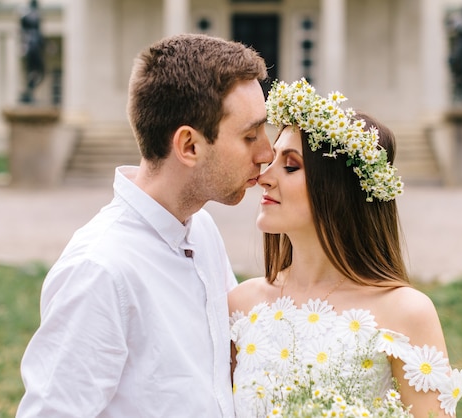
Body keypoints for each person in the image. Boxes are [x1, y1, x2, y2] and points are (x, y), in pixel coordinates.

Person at [16, 34, 273, 417]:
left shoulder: (201, 230)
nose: (266, 152)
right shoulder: (99, 271)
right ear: (188, 146)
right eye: (250, 135)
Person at [229, 79, 462, 417]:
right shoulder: (241, 305)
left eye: (291, 165)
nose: (265, 176)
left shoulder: (405, 313)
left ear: (338, 189)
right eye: (271, 160)